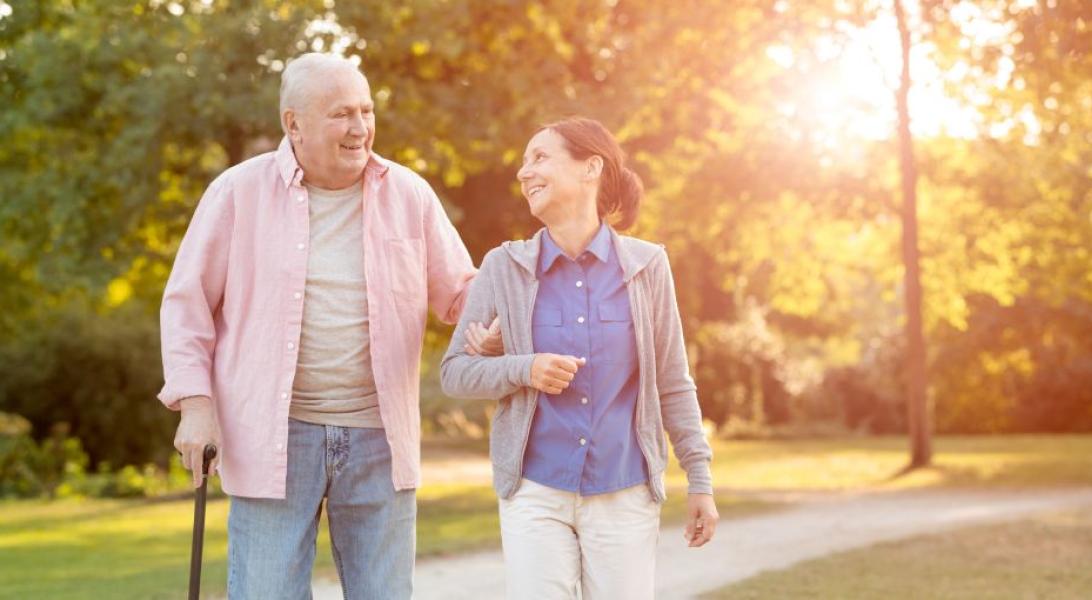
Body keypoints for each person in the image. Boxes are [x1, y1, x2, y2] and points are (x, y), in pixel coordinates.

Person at [159, 53, 490, 599]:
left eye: (365, 110)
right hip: (274, 434)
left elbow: (460, 293)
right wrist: (195, 405)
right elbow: (186, 305)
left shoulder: (409, 195)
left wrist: (508, 300)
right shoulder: (237, 193)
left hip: (379, 438)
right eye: (341, 114)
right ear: (294, 124)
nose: (360, 128)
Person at [440, 117, 718, 599]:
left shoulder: (647, 267)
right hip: (535, 489)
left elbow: (673, 381)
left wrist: (700, 479)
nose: (525, 172)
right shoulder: (502, 267)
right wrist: (523, 368)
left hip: (623, 489)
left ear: (591, 168)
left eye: (540, 157)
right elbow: (455, 373)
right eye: (524, 162)